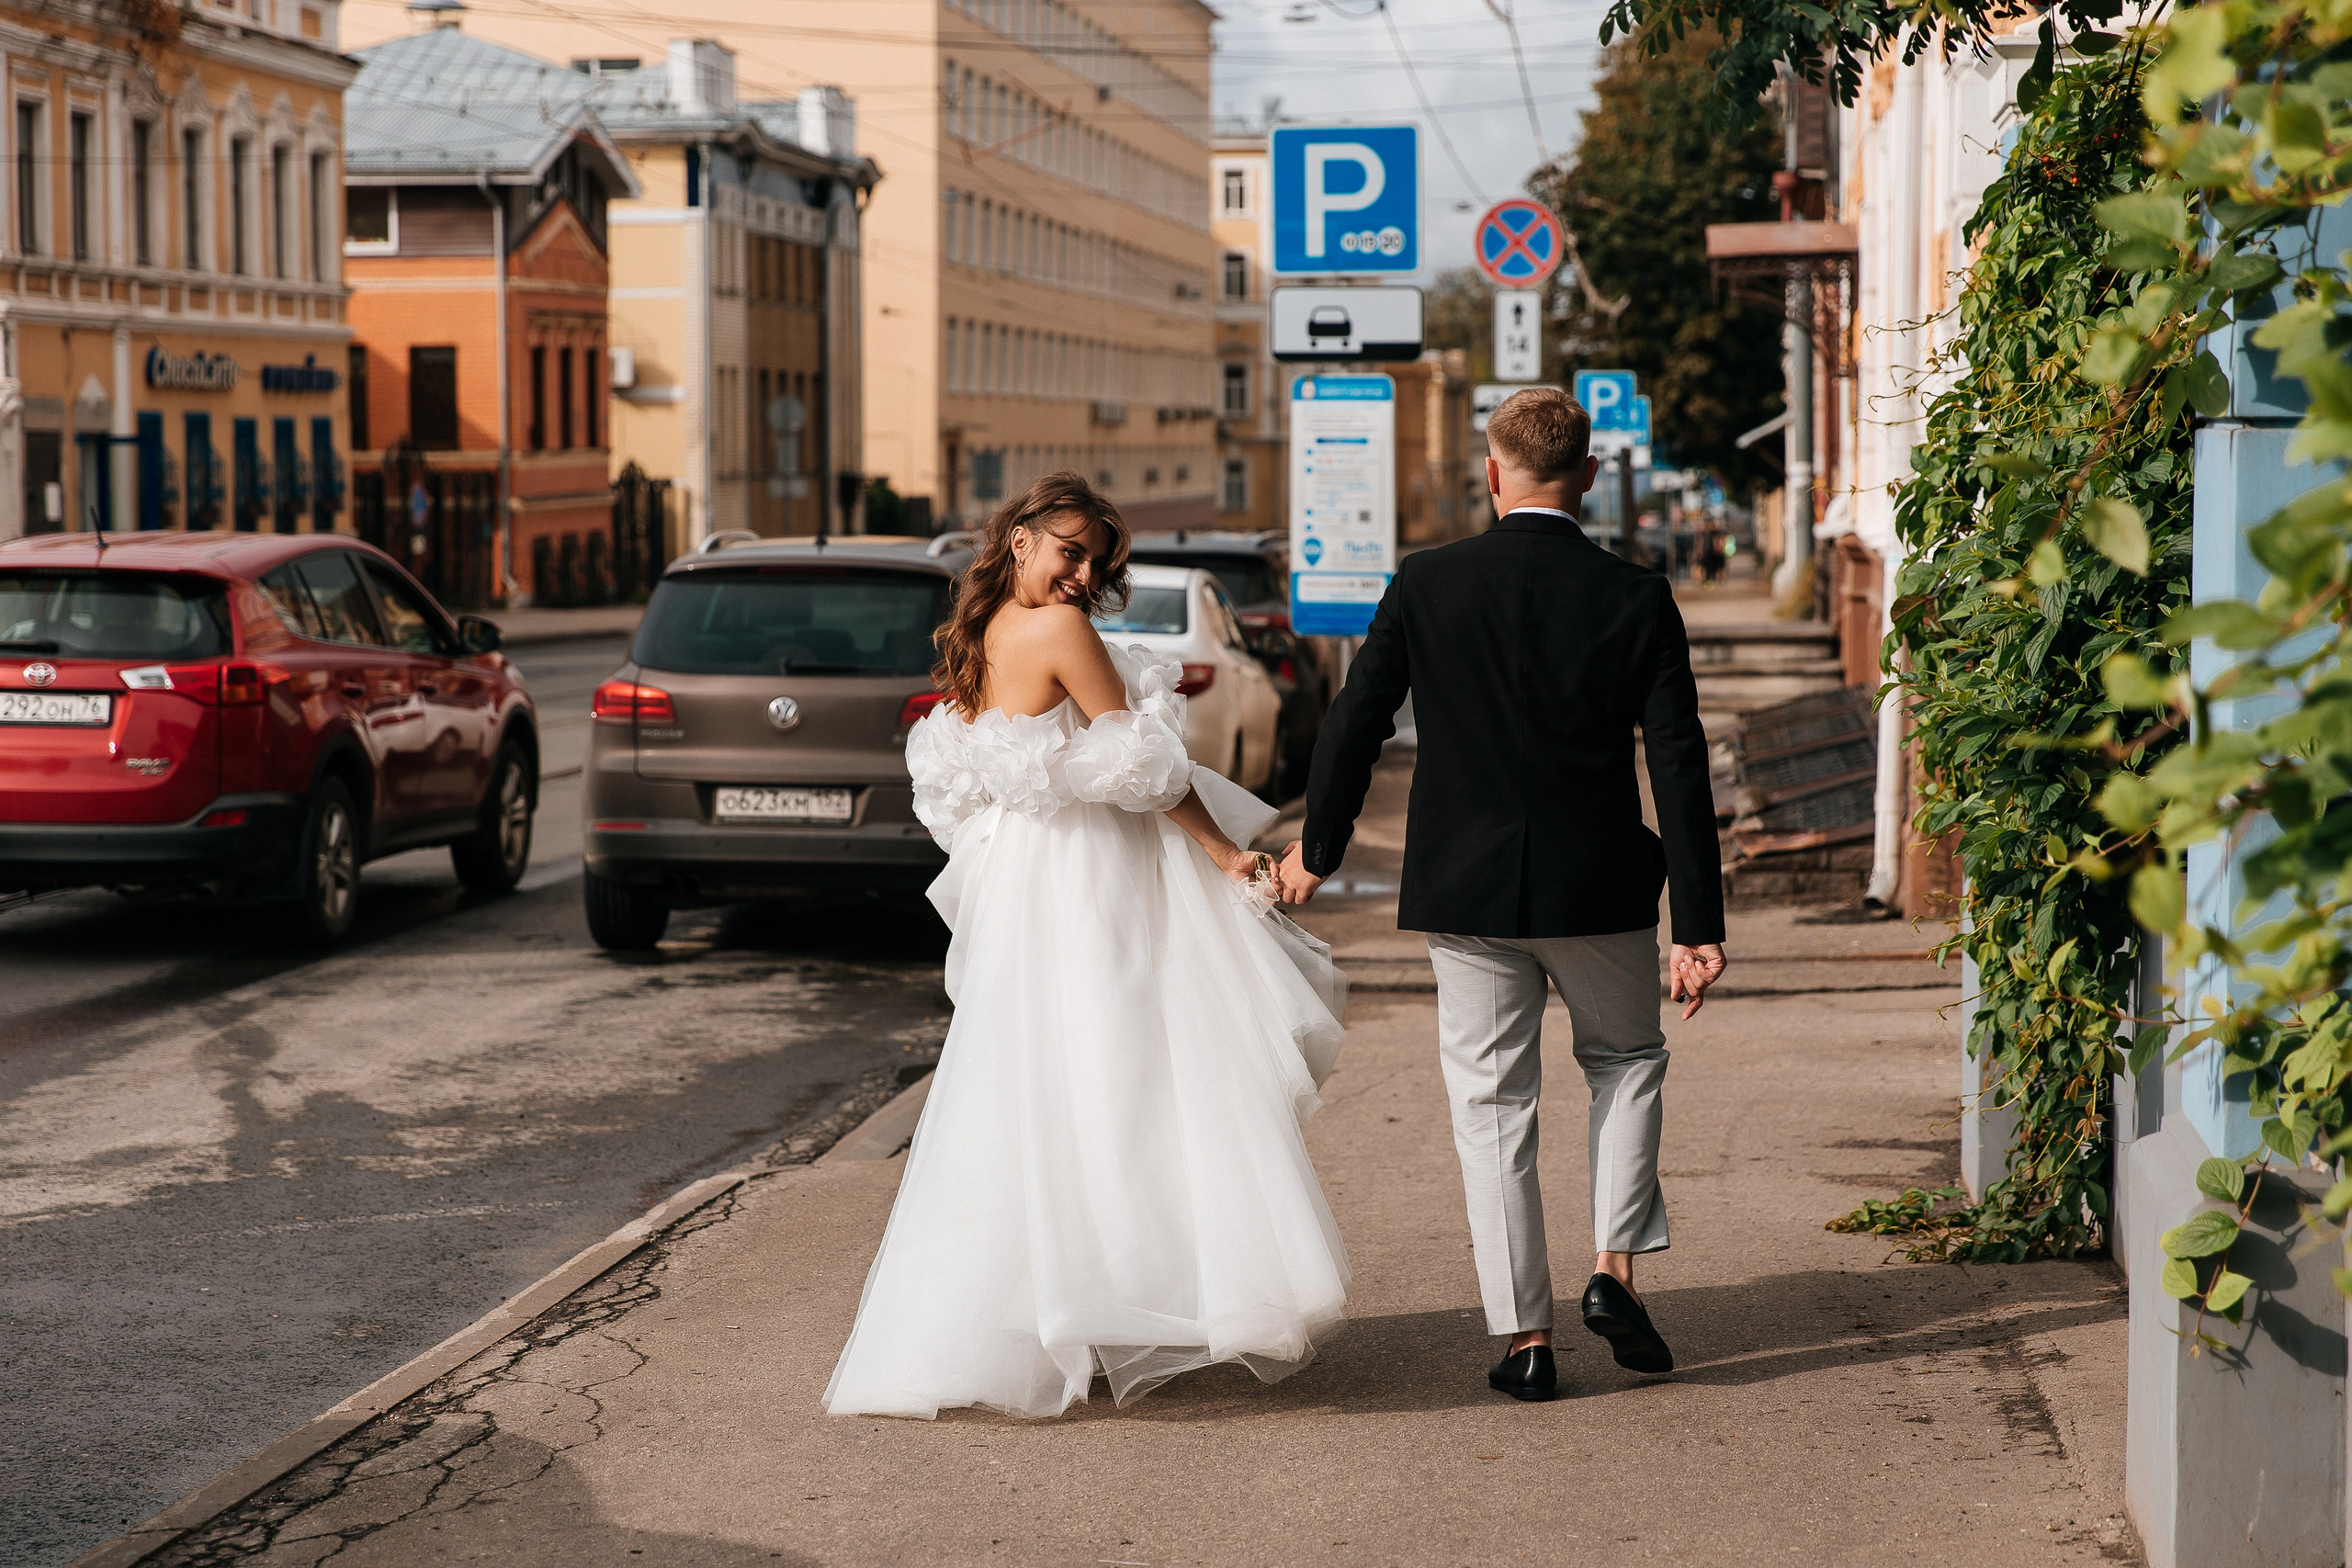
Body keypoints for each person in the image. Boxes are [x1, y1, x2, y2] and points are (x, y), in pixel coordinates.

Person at [824, 471, 1351, 1421]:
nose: (1082, 575)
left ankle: (1049, 1316)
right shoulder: (1061, 634)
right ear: (1020, 538)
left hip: (1029, 876)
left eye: (1095, 561)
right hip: (1088, 877)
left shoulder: (979, 636)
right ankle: (1112, 1306)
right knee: (1124, 1078)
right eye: (1069, 551)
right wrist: (1227, 851)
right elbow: (1146, 769)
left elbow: (984, 782)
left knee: (1035, 1087)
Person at [1278, 387, 1728, 1404]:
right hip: (1599, 888)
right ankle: (1611, 1272)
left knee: (1491, 1109)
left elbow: (1355, 722)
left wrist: (1317, 848)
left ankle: (1526, 1341)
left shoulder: (1426, 583)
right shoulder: (1636, 596)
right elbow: (1679, 764)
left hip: (1466, 890)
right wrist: (1695, 927)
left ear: (1493, 473)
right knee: (1625, 1060)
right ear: (1592, 477)